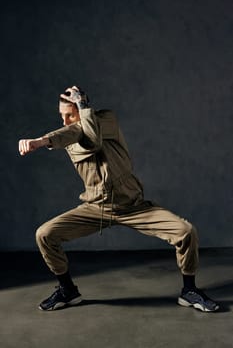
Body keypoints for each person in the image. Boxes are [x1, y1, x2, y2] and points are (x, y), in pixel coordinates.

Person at [18, 85, 219, 312]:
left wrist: (74, 114)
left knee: (186, 232)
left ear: (84, 110)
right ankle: (67, 290)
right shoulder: (69, 138)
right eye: (61, 116)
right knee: (45, 234)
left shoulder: (107, 120)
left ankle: (189, 291)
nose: (64, 122)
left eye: (70, 115)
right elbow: (77, 133)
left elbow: (93, 138)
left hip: (133, 207)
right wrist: (44, 140)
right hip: (96, 208)